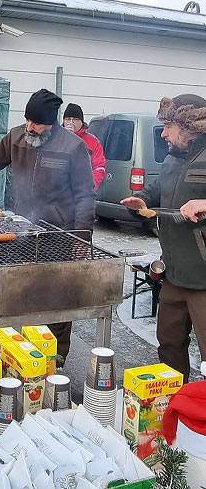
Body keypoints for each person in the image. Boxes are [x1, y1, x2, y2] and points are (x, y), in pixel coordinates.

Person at [0, 89, 96, 364]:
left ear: (52, 122)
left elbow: (86, 196)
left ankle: (56, 354)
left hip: (59, 233)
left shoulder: (72, 147)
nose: (30, 127)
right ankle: (25, 345)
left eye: (36, 123)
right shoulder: (17, 137)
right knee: (26, 290)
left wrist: (80, 239)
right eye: (27, 120)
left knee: (57, 295)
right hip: (24, 228)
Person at [121, 94, 206, 382]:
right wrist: (140, 201)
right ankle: (176, 410)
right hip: (174, 274)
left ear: (190, 126)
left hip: (203, 280)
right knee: (169, 347)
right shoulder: (172, 158)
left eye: (169, 126)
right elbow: (155, 191)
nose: (164, 133)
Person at [63, 103, 106, 191]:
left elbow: (99, 166)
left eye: (75, 119)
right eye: (68, 119)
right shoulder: (55, 138)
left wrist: (90, 186)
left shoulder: (92, 141)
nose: (71, 122)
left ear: (81, 121)